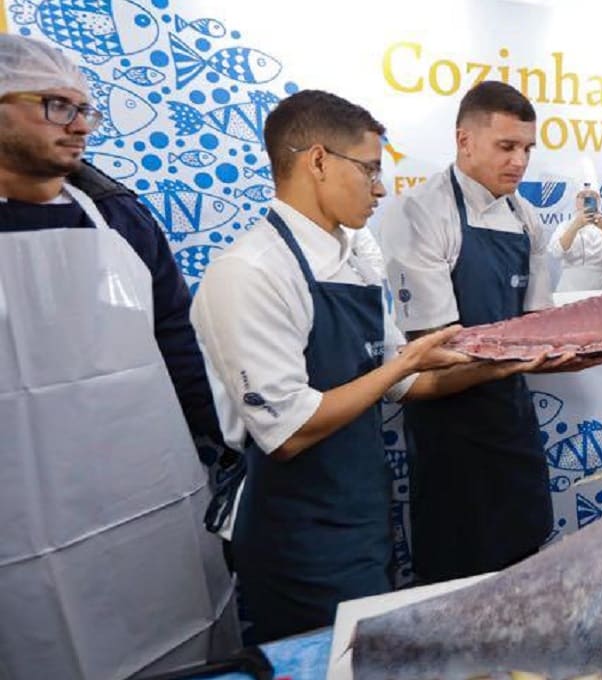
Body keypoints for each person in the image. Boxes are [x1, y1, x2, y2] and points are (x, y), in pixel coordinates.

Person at [190, 90, 474, 642]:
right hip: (296, 533)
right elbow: (290, 432)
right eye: (368, 169)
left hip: (362, 516)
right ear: (317, 161)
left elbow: (404, 380)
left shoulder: (354, 259)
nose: (380, 187)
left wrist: (498, 365)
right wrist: (404, 364)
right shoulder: (251, 272)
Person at [0, 35, 238, 678]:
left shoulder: (119, 217)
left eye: (85, 109)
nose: (80, 125)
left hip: (142, 499)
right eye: (54, 105)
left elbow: (176, 341)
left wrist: (227, 446)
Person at [378, 81, 573, 583]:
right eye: (506, 147)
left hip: (513, 416)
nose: (520, 162)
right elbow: (435, 347)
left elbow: (536, 321)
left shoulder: (524, 215)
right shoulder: (420, 210)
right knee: (458, 570)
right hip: (450, 427)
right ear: (464, 140)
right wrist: (523, 354)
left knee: (526, 559)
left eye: (527, 148)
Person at [547, 185, 602, 291]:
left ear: (599, 201)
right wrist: (574, 227)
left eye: (592, 196)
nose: (587, 199)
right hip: (570, 288)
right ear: (576, 202)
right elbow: (556, 252)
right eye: (582, 196)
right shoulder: (565, 226)